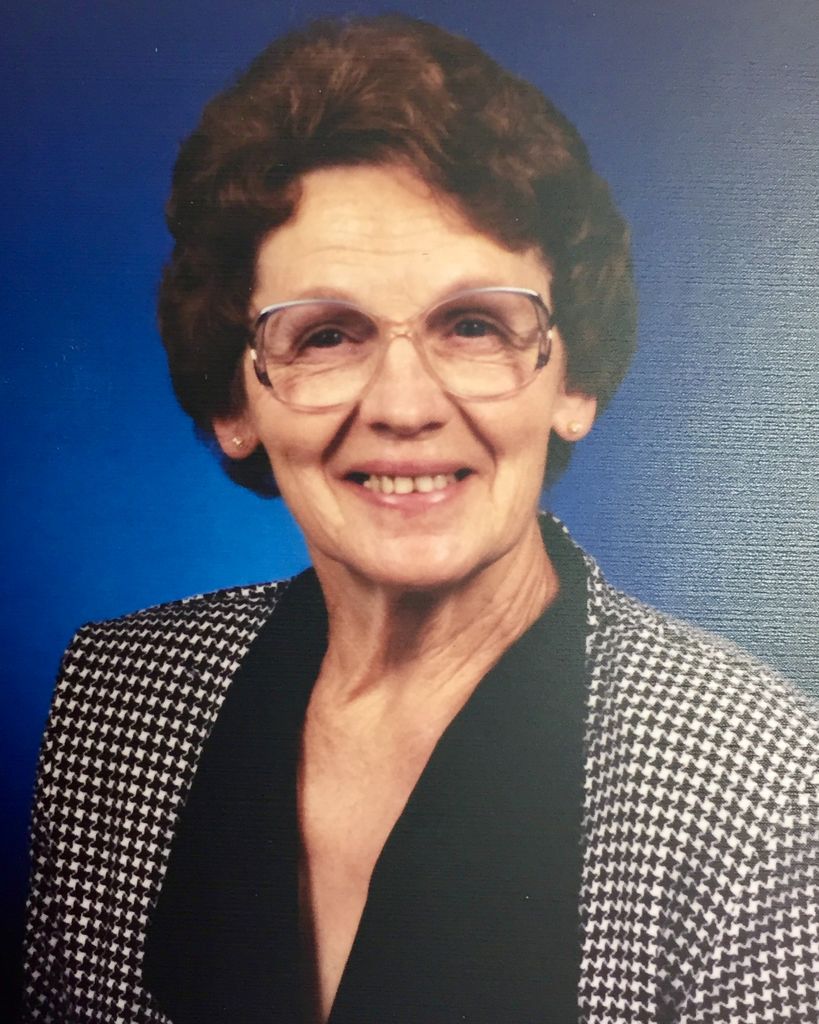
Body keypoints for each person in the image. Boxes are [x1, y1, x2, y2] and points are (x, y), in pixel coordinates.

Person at [21, 14, 817, 1024]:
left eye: (473, 324)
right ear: (235, 400)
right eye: (327, 335)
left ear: (571, 381)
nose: (404, 405)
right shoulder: (116, 704)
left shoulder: (761, 787)